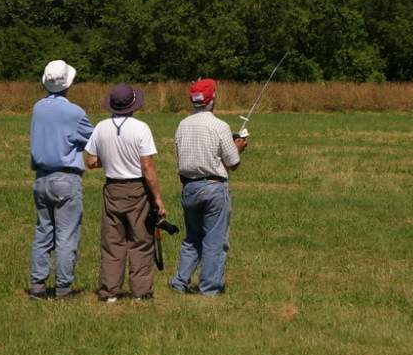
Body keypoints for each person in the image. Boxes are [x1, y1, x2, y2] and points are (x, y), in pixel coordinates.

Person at [85, 84, 167, 302]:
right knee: (140, 241)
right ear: (134, 105)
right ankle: (141, 292)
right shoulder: (141, 128)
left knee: (113, 243)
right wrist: (157, 197)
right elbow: (147, 165)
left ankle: (110, 292)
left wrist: (112, 158)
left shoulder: (100, 128)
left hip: (112, 188)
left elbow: (91, 161)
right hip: (137, 189)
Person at [170, 79, 248, 295]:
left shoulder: (182, 125)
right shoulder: (220, 126)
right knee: (215, 241)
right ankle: (210, 288)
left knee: (192, 238)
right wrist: (238, 147)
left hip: (189, 187)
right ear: (212, 99)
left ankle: (179, 282)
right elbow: (233, 163)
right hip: (214, 187)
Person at [28, 60, 93, 300]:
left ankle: (37, 286)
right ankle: (63, 288)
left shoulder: (38, 107)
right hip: (66, 178)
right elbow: (93, 141)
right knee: (66, 235)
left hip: (41, 178)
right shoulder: (75, 112)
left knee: (43, 232)